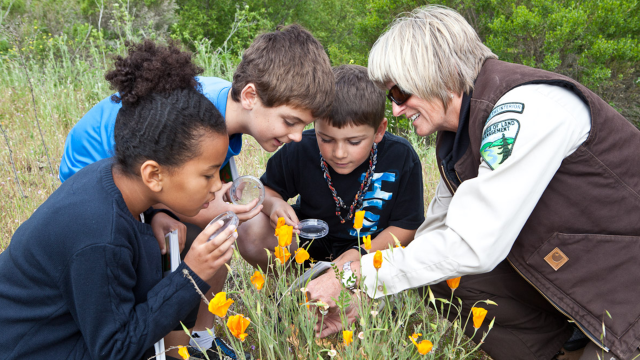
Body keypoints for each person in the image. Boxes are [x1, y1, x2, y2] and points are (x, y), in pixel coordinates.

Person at [306, 6, 640, 360]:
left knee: (454, 259)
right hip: (580, 282)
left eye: (400, 93)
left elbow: (473, 245)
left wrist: (353, 278)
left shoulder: (523, 109)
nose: (397, 109)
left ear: (440, 73)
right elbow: (434, 234)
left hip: (625, 291)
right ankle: (556, 348)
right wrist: (360, 295)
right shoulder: (458, 137)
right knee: (439, 273)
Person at [58, 26, 334, 358]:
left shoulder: (224, 110)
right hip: (98, 183)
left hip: (147, 180)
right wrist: (214, 210)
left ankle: (202, 340)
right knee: (195, 235)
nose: (296, 136)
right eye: (290, 121)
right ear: (250, 96)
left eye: (303, 126)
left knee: (216, 229)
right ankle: (176, 346)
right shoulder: (199, 120)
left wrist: (261, 204)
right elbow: (186, 197)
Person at [0, 42, 236, 360]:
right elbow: (115, 349)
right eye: (208, 175)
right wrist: (192, 273)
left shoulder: (111, 179)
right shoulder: (100, 235)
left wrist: (154, 215)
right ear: (154, 175)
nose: (217, 187)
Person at [238, 64, 425, 278]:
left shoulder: (400, 157)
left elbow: (407, 227)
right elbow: (268, 190)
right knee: (250, 229)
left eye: (354, 141)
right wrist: (274, 204)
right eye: (326, 139)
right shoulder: (300, 149)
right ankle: (293, 286)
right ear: (314, 124)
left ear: (379, 131)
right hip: (308, 247)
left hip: (370, 253)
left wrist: (361, 253)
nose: (339, 153)